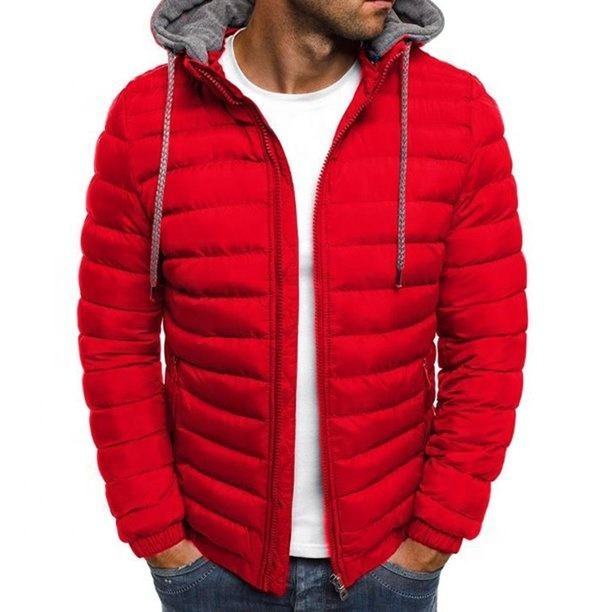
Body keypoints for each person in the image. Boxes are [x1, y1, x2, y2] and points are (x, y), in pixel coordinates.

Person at [78, 0, 527, 609]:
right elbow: (115, 342)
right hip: (212, 562)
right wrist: (158, 534)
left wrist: (435, 534)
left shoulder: (457, 114)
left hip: (386, 564)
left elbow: (489, 345)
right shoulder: (147, 119)